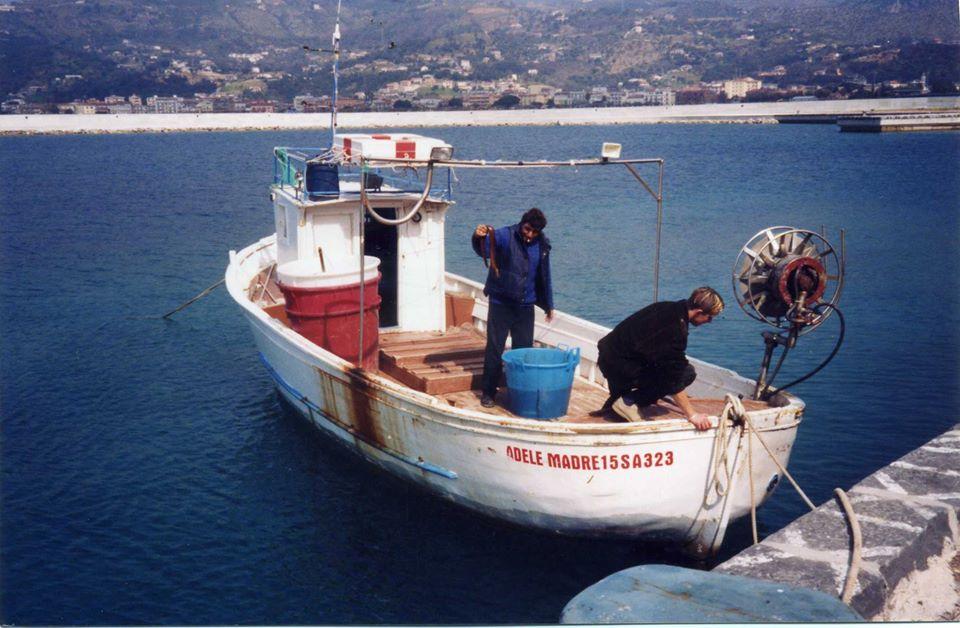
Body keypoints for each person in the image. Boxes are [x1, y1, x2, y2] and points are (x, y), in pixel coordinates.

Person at [596, 287, 724, 431]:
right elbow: (673, 375)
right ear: (699, 312)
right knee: (686, 373)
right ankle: (628, 402)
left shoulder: (667, 307)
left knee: (670, 368)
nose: (709, 321)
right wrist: (692, 415)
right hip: (619, 366)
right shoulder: (675, 328)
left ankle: (615, 402)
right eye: (710, 317)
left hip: (608, 357)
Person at [472, 208, 555, 408]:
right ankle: (488, 392)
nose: (529, 235)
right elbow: (483, 250)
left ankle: (518, 391)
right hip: (501, 303)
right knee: (495, 348)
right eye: (527, 229)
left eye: (534, 232)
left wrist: (549, 305)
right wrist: (478, 236)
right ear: (522, 223)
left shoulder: (542, 245)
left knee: (523, 351)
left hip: (525, 307)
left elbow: (545, 276)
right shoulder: (504, 235)